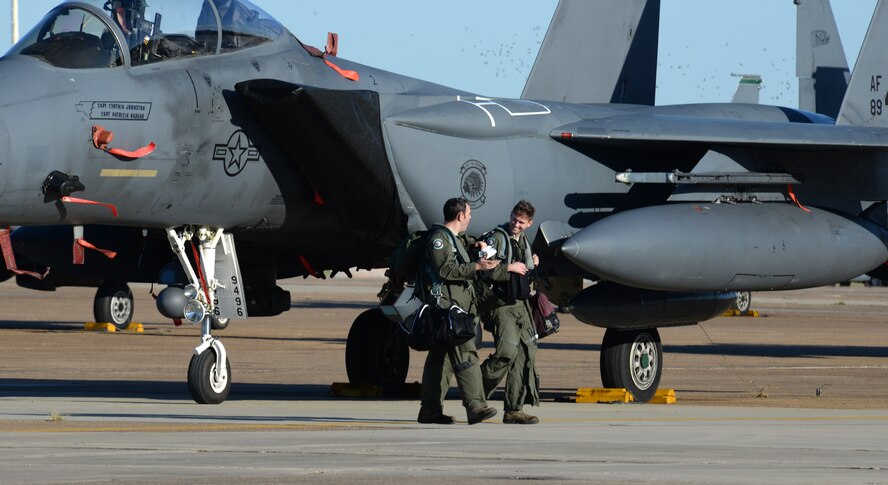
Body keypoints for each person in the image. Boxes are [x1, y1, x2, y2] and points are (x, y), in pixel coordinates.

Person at [417, 197, 501, 425]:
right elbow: (445, 269)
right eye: (469, 214)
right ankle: (476, 407)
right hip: (447, 310)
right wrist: (477, 267)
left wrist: (477, 248)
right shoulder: (439, 240)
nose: (471, 217)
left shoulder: (455, 239)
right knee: (467, 355)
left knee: (440, 360)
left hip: (456, 308)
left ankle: (430, 410)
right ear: (461, 215)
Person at [480, 200, 541, 424]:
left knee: (526, 353)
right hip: (500, 304)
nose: (516, 224)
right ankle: (475, 392)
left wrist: (532, 263)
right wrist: (509, 267)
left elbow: (526, 271)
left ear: (529, 223)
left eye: (521, 222)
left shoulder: (524, 241)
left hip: (521, 304)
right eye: (514, 219)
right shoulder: (496, 238)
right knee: (507, 350)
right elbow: (482, 267)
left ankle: (515, 409)